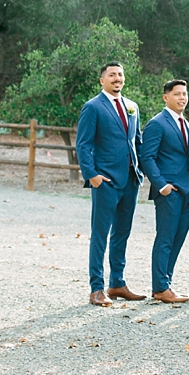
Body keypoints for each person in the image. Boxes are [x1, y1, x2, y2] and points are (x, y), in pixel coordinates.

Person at [76, 61, 146, 307]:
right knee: (101, 234)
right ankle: (97, 288)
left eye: (120, 75)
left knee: (122, 234)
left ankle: (117, 283)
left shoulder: (132, 106)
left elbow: (137, 141)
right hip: (105, 180)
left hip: (130, 180)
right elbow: (83, 144)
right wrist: (92, 175)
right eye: (112, 75)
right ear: (102, 80)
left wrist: (141, 170)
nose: (118, 78)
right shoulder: (93, 107)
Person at [140, 79, 189, 304]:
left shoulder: (183, 123)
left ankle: (166, 282)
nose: (182, 98)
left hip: (187, 191)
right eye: (177, 94)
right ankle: (160, 287)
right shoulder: (158, 123)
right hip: (169, 191)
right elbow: (147, 157)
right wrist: (161, 185)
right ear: (166, 97)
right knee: (165, 238)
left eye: (185, 94)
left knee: (178, 239)